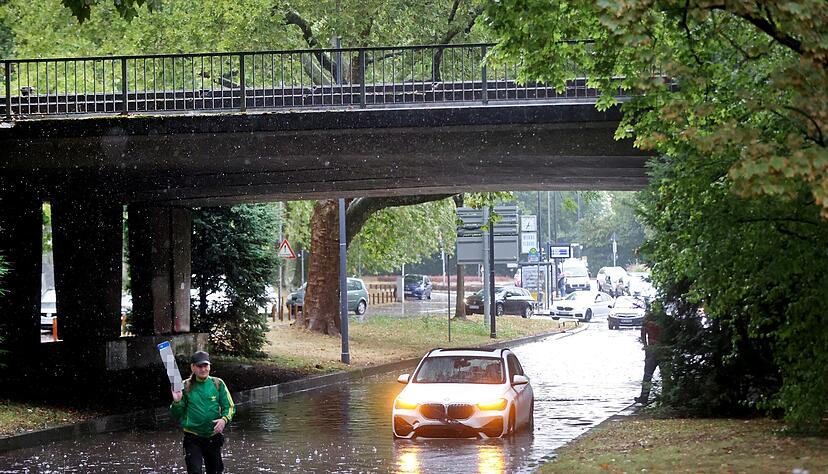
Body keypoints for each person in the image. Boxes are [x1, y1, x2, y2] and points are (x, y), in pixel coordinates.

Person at [170, 351, 235, 474]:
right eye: (200, 366)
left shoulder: (218, 383)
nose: (203, 369)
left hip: (213, 437)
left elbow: (230, 407)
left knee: (215, 471)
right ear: (193, 367)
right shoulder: (184, 386)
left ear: (209, 366)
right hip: (193, 438)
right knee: (195, 471)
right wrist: (177, 401)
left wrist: (224, 419)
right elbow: (176, 414)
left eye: (206, 366)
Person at [635, 310, 662, 404]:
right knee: (665, 375)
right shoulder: (665, 321)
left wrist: (646, 347)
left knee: (647, 375)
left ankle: (644, 397)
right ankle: (666, 396)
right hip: (662, 351)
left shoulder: (647, 322)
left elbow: (642, 335)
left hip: (652, 351)